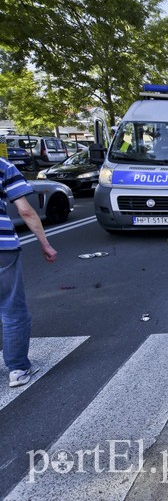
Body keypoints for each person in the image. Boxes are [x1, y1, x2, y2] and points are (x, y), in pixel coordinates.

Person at [1, 156, 57, 387]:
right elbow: (24, 210)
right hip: (2, 249)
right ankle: (18, 369)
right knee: (12, 310)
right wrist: (45, 244)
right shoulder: (3, 166)